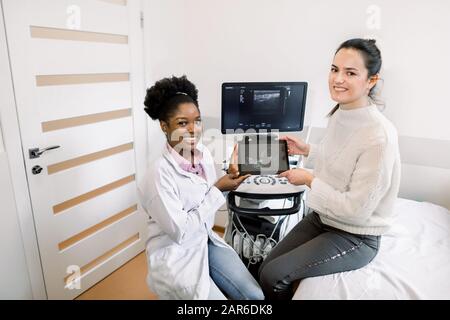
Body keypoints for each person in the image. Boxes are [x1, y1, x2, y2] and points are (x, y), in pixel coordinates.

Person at [258, 38, 401, 300]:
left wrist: (310, 179)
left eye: (350, 73)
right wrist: (308, 149)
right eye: (334, 69)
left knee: (273, 275)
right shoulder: (341, 113)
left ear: (371, 80)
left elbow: (356, 211)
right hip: (324, 217)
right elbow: (343, 160)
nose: (337, 79)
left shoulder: (379, 136)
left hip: (355, 234)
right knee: (265, 266)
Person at [139, 75, 264, 300]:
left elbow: (208, 192)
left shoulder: (202, 153)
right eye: (182, 123)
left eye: (197, 120)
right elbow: (182, 231)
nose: (193, 130)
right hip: (176, 253)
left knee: (255, 297)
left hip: (205, 240)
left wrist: (231, 175)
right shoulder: (158, 175)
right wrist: (218, 189)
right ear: (164, 126)